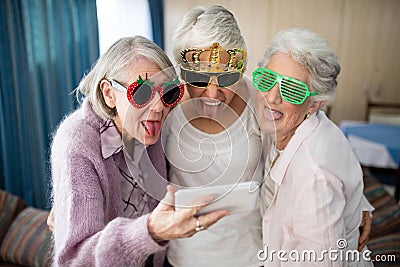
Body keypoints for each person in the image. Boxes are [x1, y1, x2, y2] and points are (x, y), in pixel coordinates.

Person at [49, 36, 229, 266]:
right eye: (142, 93)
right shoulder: (77, 143)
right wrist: (151, 231)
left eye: (168, 93)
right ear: (109, 94)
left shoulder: (152, 125)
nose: (158, 107)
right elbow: (75, 260)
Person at [252, 28, 374, 266]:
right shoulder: (301, 125)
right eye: (267, 80)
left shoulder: (314, 181)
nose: (272, 97)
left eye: (292, 90)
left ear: (314, 104)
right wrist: (357, 205)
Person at [161, 5, 264, 266]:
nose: (212, 94)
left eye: (227, 78)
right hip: (185, 254)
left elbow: (306, 138)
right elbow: (117, 135)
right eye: (198, 78)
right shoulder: (166, 102)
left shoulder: (258, 98)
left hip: (248, 252)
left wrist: (355, 200)